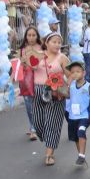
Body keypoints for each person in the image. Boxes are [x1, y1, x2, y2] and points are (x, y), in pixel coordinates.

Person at [31, 32, 69, 166]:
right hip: (38, 90)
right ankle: (47, 139)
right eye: (54, 42)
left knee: (53, 123)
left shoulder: (62, 58)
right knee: (37, 121)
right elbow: (29, 68)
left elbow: (70, 76)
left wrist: (66, 87)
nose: (57, 44)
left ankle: (49, 154)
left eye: (59, 42)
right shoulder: (38, 55)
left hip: (55, 92)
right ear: (46, 43)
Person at [65, 60, 90, 167]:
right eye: (73, 72)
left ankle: (82, 155)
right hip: (73, 116)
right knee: (75, 137)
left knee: (81, 132)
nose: (75, 74)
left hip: (85, 115)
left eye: (78, 71)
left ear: (83, 73)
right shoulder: (71, 85)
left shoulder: (89, 86)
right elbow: (68, 96)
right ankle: (81, 155)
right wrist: (56, 90)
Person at [18, 26, 42, 141]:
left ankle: (35, 127)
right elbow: (19, 66)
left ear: (37, 36)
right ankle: (32, 126)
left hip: (38, 79)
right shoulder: (22, 49)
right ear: (26, 37)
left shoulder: (42, 48)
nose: (31, 38)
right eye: (29, 35)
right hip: (25, 81)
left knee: (38, 104)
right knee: (28, 105)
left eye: (33, 35)